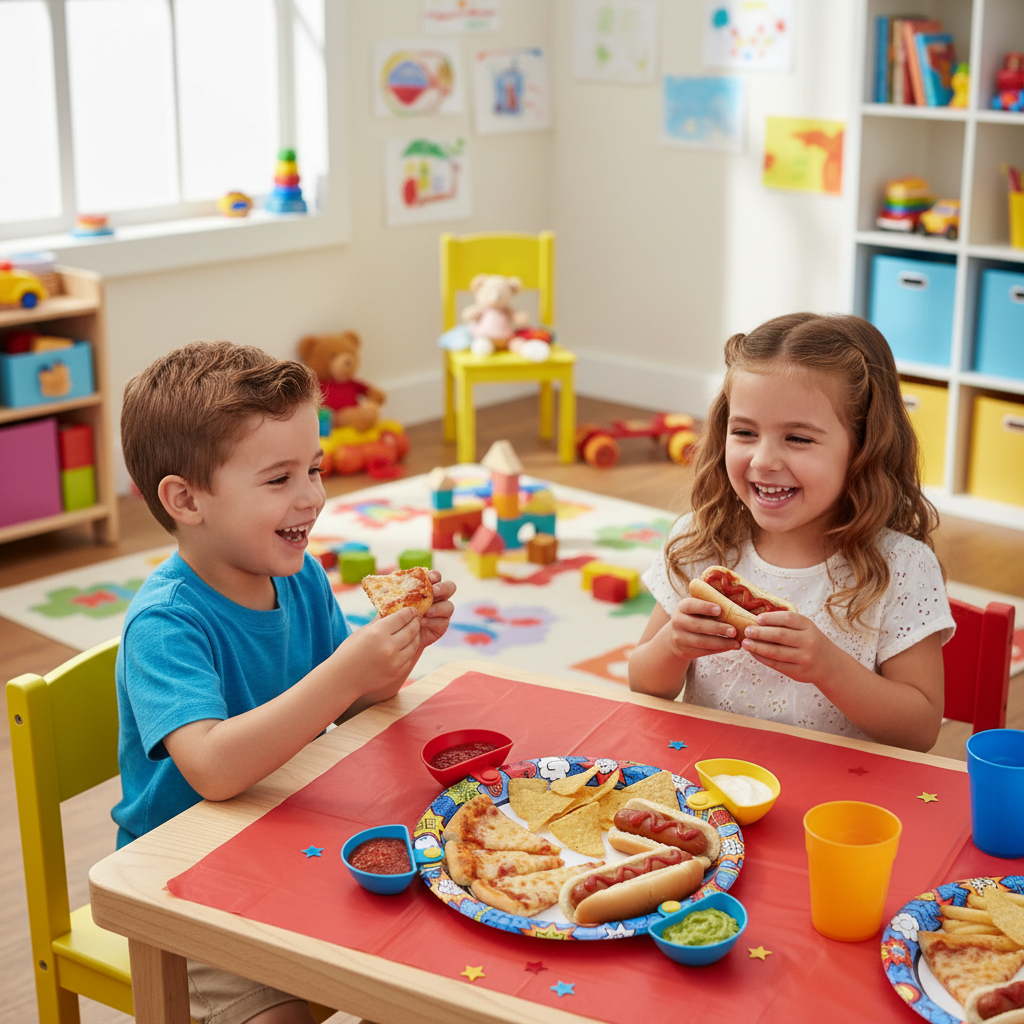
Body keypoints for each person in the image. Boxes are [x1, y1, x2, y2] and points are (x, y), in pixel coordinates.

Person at [114, 340, 456, 1024]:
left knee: (427, 958)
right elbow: (212, 768)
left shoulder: (297, 579)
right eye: (279, 480)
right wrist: (345, 672)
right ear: (186, 500)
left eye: (316, 468)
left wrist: (395, 653)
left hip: (288, 839)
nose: (313, 496)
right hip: (185, 886)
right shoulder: (164, 624)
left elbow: (354, 703)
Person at [628, 312, 954, 752]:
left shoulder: (902, 567)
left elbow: (919, 731)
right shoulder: (703, 540)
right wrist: (674, 645)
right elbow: (644, 684)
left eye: (798, 439)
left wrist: (828, 668)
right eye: (744, 431)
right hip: (709, 784)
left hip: (837, 804)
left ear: (863, 449)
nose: (763, 460)